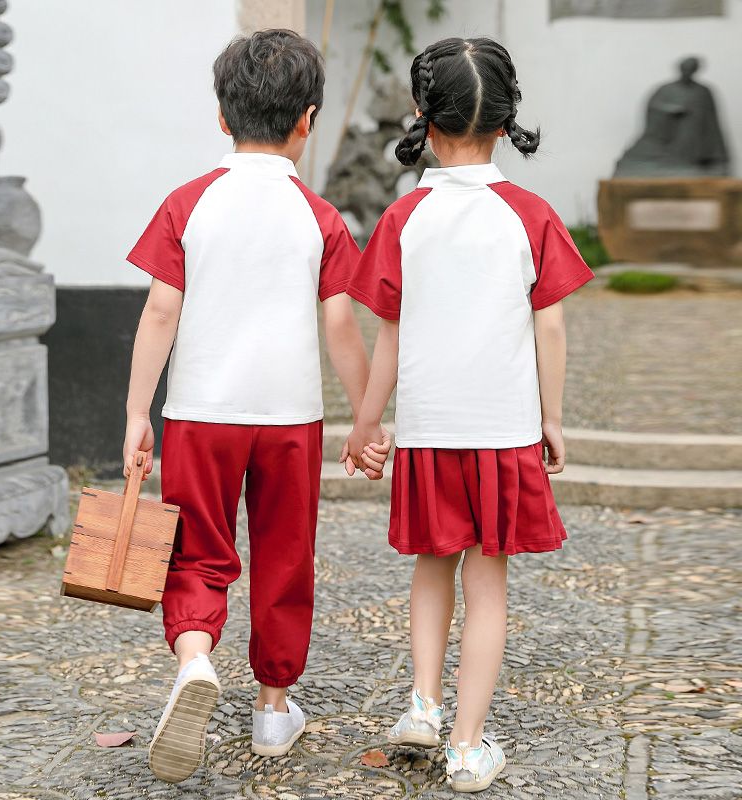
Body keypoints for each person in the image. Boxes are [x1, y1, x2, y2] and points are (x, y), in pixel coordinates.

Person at [123, 29, 388, 783]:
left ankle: (195, 660)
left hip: (201, 412)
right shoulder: (320, 216)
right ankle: (273, 709)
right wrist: (366, 421)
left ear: (220, 116)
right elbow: (340, 323)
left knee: (197, 550)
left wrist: (139, 412)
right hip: (290, 419)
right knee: (284, 556)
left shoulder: (187, 203)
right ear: (307, 119)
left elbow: (159, 313)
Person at [344, 37, 594, 793]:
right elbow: (549, 326)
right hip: (501, 430)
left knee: (431, 568)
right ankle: (467, 745)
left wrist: (365, 422)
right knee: (488, 586)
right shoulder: (529, 215)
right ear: (508, 115)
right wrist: (552, 417)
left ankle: (422, 701)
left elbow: (388, 332)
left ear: (422, 116)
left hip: (426, 431)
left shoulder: (406, 215)